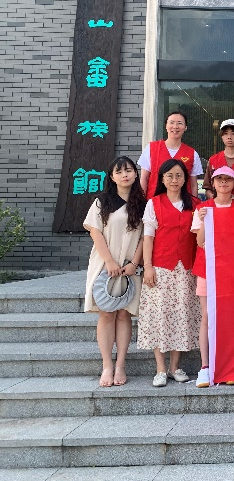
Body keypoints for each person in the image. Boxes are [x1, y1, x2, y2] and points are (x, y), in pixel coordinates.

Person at [83, 156, 146, 387]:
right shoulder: (102, 202)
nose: (124, 175)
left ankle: (120, 365)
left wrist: (135, 263)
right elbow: (95, 232)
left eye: (128, 170)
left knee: (124, 314)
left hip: (130, 267)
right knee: (107, 313)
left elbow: (145, 236)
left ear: (136, 174)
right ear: (111, 177)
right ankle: (107, 366)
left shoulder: (143, 203)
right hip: (104, 265)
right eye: (118, 172)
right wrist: (109, 261)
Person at [138, 159, 201, 387]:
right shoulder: (153, 203)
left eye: (179, 175)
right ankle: (160, 369)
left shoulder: (195, 204)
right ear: (162, 179)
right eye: (170, 176)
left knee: (181, 315)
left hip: (186, 270)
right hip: (161, 268)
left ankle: (175, 367)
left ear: (185, 179)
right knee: (159, 315)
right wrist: (147, 266)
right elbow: (148, 238)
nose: (174, 180)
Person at [191, 166, 234, 388]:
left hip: (233, 270)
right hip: (207, 270)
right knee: (207, 316)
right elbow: (200, 242)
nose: (223, 183)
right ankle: (205, 366)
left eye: (228, 179)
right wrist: (203, 221)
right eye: (219, 179)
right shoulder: (203, 209)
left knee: (232, 317)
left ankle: (230, 364)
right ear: (213, 183)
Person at [139, 111, 202, 199]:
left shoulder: (192, 154)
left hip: (182, 203)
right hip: (154, 202)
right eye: (171, 122)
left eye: (179, 123)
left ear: (185, 127)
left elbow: (193, 184)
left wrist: (195, 204)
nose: (175, 126)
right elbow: (144, 178)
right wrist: (141, 202)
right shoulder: (151, 148)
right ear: (166, 126)